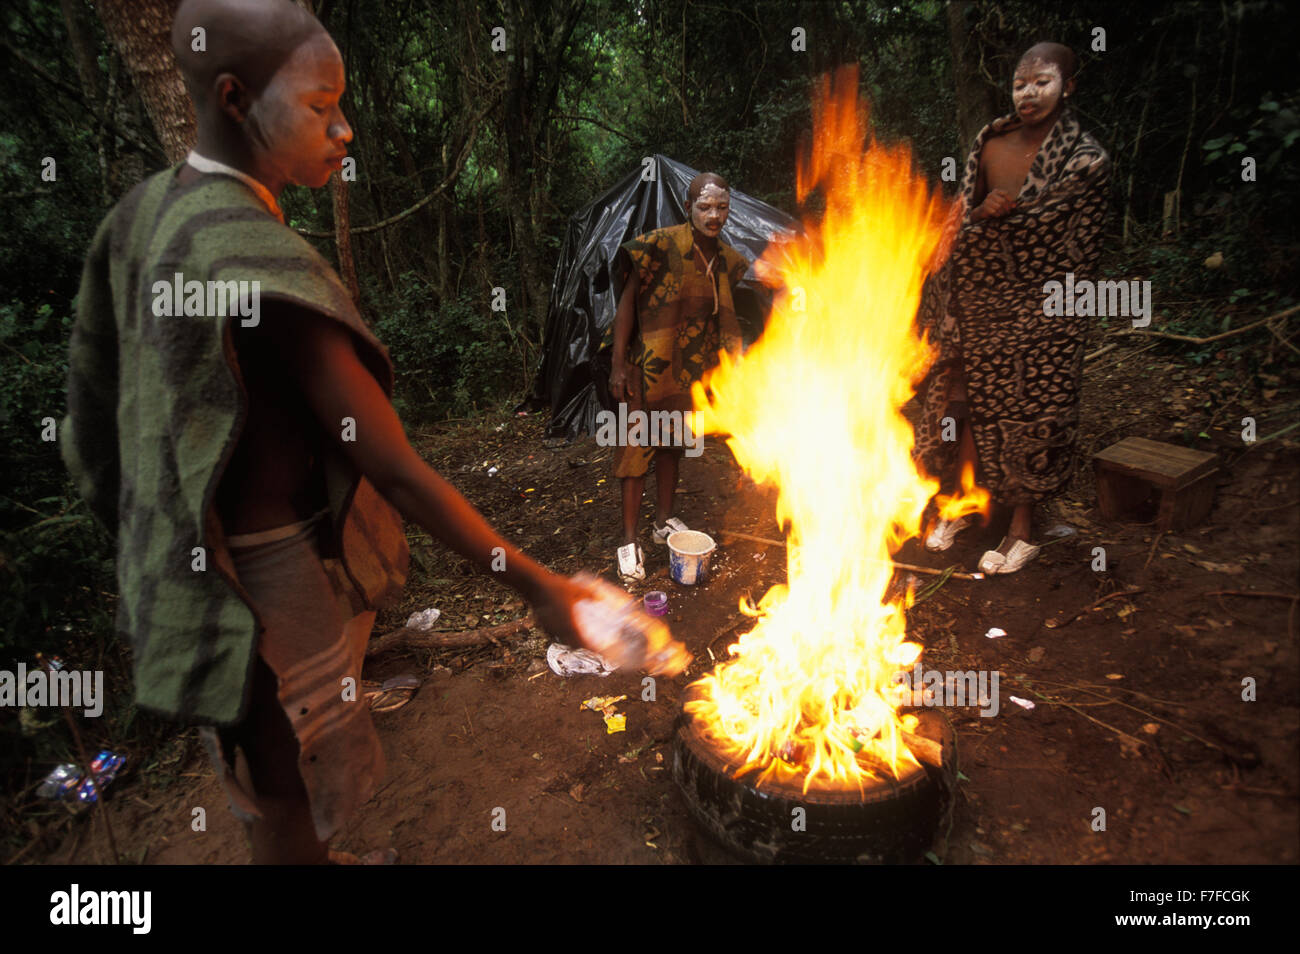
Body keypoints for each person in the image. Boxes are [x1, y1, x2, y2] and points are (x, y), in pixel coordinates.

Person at [61, 0, 650, 864]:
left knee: (262, 778)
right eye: (319, 105)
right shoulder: (256, 261)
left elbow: (91, 421)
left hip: (182, 570)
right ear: (234, 98)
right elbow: (398, 470)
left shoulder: (140, 218)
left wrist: (152, 535)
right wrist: (541, 590)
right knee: (288, 781)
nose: (344, 130)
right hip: (261, 583)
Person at [914, 42, 1111, 574]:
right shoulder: (991, 141)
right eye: (1021, 84)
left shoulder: (1085, 160)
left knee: (1032, 414)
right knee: (966, 409)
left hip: (1043, 317)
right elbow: (959, 220)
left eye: (1042, 82)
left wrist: (1006, 222)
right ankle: (960, 506)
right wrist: (981, 213)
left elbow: (1069, 242)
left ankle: (1021, 531)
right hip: (975, 310)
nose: (1029, 94)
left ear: (1068, 86)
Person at [607, 173, 750, 581]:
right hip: (647, 365)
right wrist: (618, 364)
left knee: (671, 443)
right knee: (636, 450)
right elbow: (627, 304)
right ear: (689, 207)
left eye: (721, 207)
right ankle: (629, 540)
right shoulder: (660, 245)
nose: (714, 215)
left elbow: (726, 321)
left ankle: (663, 521)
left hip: (687, 371)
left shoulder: (724, 259)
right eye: (705, 206)